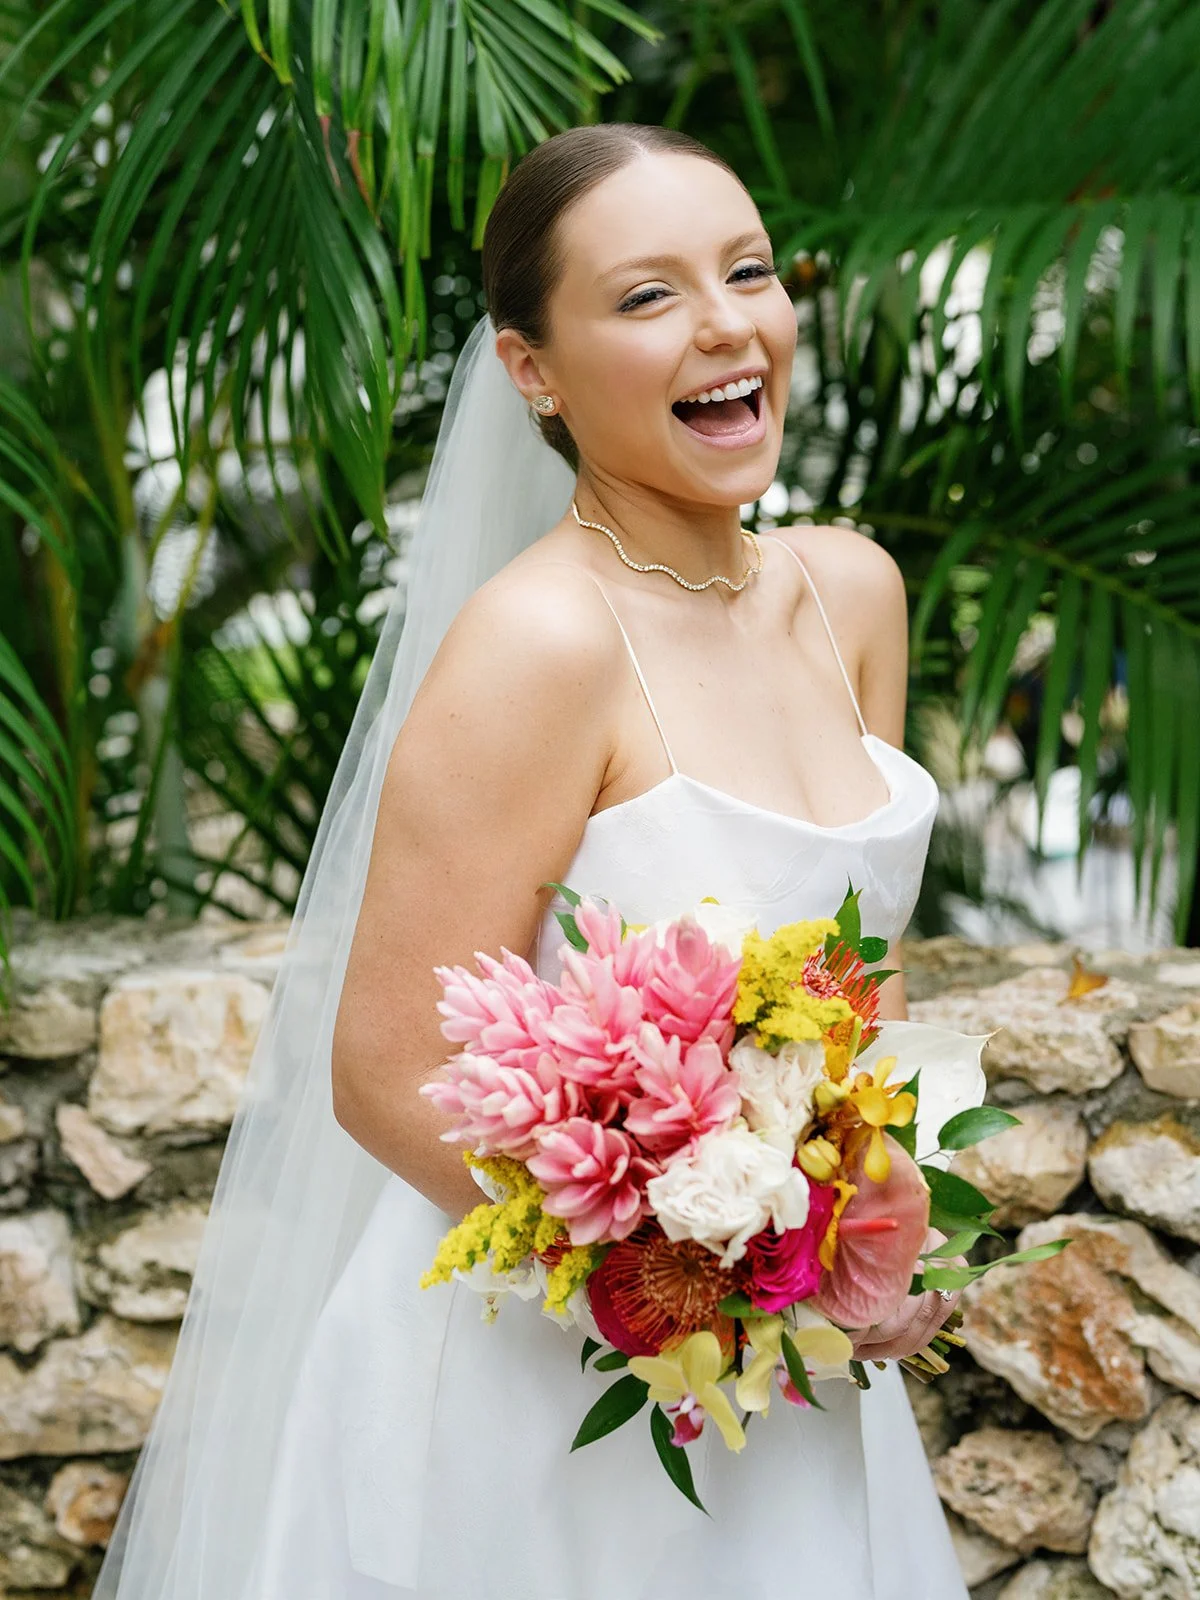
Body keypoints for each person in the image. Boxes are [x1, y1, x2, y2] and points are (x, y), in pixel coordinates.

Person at [92, 123, 968, 1600]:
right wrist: (698, 1275)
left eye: (747, 271)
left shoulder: (852, 595)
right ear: (531, 371)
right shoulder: (541, 644)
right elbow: (380, 1069)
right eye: (645, 298)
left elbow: (836, 1006)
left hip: (782, 1385)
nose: (726, 325)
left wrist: (857, 1217)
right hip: (551, 1394)